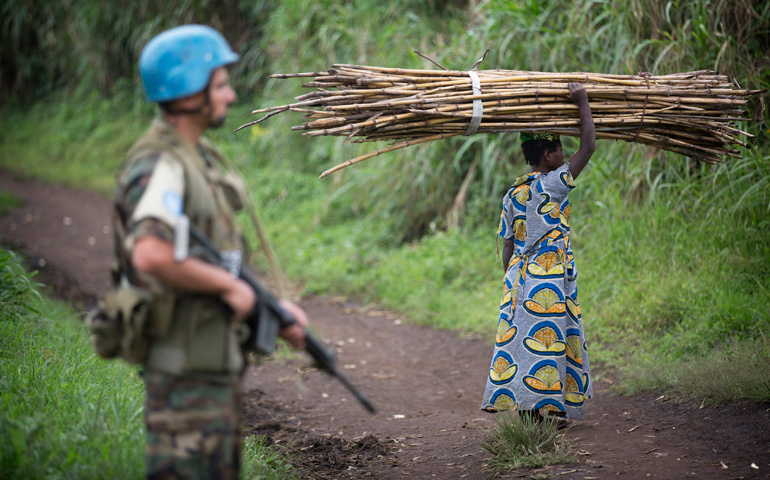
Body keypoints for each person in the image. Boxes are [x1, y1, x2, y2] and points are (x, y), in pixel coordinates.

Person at [113, 24, 308, 479]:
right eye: (220, 85)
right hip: (183, 370)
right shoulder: (162, 163)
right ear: (187, 91)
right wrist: (228, 288)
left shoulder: (193, 158)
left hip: (207, 361)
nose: (231, 96)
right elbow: (150, 252)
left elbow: (210, 255)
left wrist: (271, 309)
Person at [481, 82, 595, 427]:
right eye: (560, 149)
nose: (565, 154)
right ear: (548, 155)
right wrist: (583, 101)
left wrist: (510, 281)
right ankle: (542, 413)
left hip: (518, 278)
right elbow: (589, 146)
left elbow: (506, 244)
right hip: (548, 276)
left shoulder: (512, 192)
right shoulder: (555, 183)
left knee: (526, 345)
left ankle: (533, 414)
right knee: (549, 341)